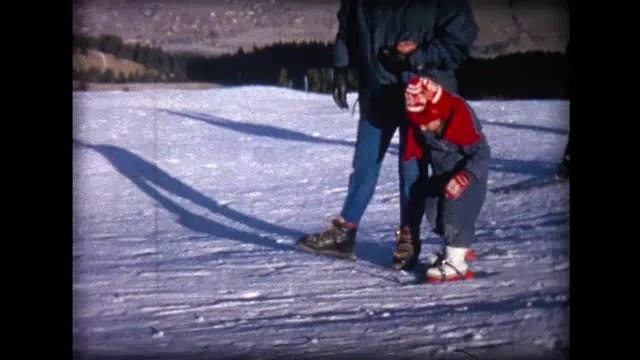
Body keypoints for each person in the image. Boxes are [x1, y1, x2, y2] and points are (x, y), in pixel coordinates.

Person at [296, 0, 479, 271]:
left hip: (422, 90)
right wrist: (342, 66)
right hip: (377, 87)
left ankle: (408, 237)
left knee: (411, 166)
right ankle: (345, 233)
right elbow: (348, 24)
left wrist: (416, 56)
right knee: (365, 162)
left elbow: (461, 35)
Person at [402, 75, 490, 283]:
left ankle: (457, 262)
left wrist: (465, 177)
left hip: (469, 178)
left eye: (425, 122)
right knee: (432, 206)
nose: (422, 128)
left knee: (454, 207)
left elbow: (482, 154)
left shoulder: (461, 119)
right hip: (443, 176)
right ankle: (456, 247)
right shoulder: (427, 124)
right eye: (418, 124)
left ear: (437, 111)